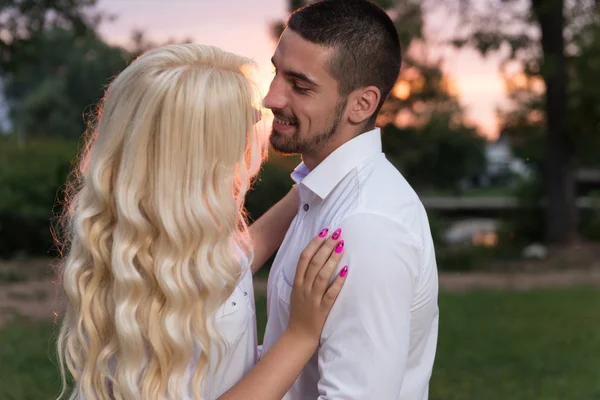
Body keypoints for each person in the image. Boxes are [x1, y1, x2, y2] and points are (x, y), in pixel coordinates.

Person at [54, 43, 348, 400]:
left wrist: (308, 184)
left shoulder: (143, 232)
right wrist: (300, 335)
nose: (258, 122)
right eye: (237, 124)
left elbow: (222, 269)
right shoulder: (152, 269)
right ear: (196, 153)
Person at [261, 1, 440, 399]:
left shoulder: (367, 226)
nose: (271, 98)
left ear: (362, 104)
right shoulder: (317, 195)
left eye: (300, 86)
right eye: (276, 72)